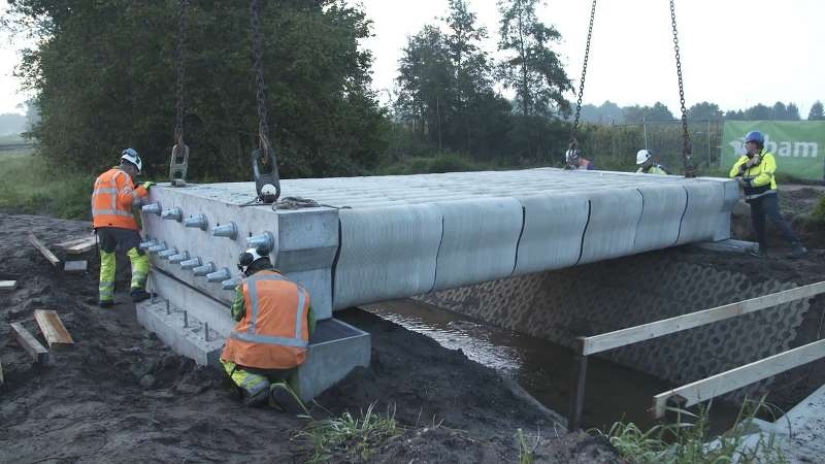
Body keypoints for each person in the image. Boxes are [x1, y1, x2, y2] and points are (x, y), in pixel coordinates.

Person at [220, 247, 316, 412]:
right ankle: (281, 389)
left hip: (253, 358)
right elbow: (311, 325)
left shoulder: (247, 285)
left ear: (247, 269)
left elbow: (236, 314)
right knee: (281, 369)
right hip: (289, 361)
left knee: (226, 356)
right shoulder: (300, 290)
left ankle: (256, 386)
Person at [729, 131, 807, 259]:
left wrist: (748, 183)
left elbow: (766, 176)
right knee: (758, 223)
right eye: (747, 143)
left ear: (756, 144)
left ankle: (797, 246)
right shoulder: (744, 159)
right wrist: (747, 164)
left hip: (767, 195)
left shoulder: (767, 157)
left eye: (749, 143)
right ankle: (763, 251)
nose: (747, 145)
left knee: (776, 218)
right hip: (753, 198)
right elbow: (732, 174)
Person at [92, 148, 154, 307]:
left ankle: (105, 298)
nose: (134, 177)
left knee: (107, 260)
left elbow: (109, 199)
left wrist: (133, 189)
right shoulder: (123, 176)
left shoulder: (102, 177)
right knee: (139, 256)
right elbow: (126, 200)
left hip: (101, 225)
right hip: (121, 224)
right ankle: (137, 290)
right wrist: (142, 189)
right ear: (132, 167)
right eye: (136, 173)